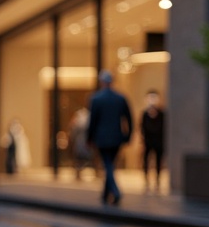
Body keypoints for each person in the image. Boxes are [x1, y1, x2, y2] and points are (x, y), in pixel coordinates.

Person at [87, 70, 132, 206]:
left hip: (102, 138)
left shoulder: (96, 99)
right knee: (110, 164)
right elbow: (129, 119)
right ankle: (106, 194)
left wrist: (89, 138)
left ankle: (115, 191)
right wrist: (127, 135)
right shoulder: (120, 98)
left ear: (102, 82)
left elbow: (92, 121)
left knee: (107, 164)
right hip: (116, 137)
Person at [141, 89, 166, 193]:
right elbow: (142, 127)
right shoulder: (145, 114)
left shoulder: (162, 114)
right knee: (146, 160)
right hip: (148, 141)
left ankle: (157, 180)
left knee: (158, 161)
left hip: (159, 142)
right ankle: (146, 180)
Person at [68, 106, 94, 179]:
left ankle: (78, 172)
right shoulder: (89, 117)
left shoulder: (79, 117)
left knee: (79, 157)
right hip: (85, 140)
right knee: (81, 157)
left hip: (81, 140)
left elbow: (74, 130)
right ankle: (79, 172)